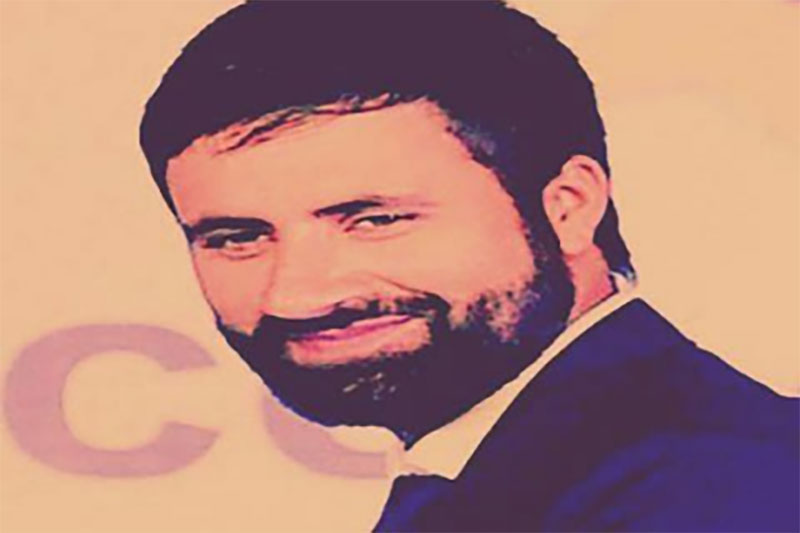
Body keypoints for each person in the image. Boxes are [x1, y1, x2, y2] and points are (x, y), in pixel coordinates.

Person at [139, 2, 799, 531]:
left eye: (375, 220)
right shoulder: (542, 470)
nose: (297, 293)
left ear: (569, 207)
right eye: (237, 238)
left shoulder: (716, 483)